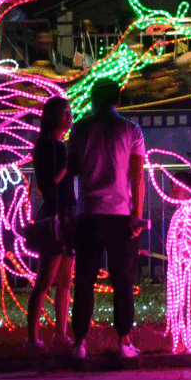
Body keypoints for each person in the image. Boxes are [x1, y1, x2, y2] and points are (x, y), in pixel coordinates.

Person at [65, 77, 147, 359]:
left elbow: (72, 168)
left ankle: (79, 343)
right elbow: (137, 175)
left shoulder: (79, 128)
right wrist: (137, 214)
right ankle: (124, 342)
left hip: (87, 212)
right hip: (120, 214)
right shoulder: (131, 130)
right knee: (122, 280)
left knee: (84, 279)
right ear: (118, 101)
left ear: (92, 100)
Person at [24, 96, 75, 352]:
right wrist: (68, 165)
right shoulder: (47, 146)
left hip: (68, 214)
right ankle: (32, 338)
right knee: (45, 279)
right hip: (54, 214)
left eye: (70, 112)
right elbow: (47, 184)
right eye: (64, 113)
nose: (69, 116)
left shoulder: (61, 146)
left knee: (66, 281)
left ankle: (61, 334)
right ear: (53, 117)